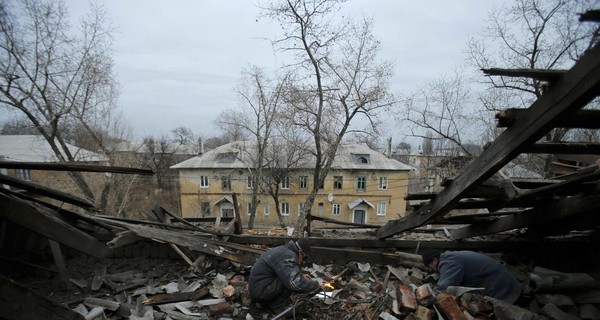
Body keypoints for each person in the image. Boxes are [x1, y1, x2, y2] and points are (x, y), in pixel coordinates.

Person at [248, 238, 321, 314]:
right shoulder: (289, 256)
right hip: (260, 292)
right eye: (304, 257)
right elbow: (295, 283)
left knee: (287, 277)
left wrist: (301, 276)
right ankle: (276, 306)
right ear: (300, 252)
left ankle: (272, 303)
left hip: (259, 287)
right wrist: (316, 285)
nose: (303, 260)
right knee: (288, 281)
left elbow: (283, 270)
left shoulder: (285, 250)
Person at [421, 249, 522, 304]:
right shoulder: (450, 257)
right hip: (499, 279)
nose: (430, 270)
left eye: (429, 266)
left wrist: (427, 299)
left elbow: (445, 286)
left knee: (507, 310)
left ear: (434, 260)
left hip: (500, 284)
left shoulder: (449, 262)